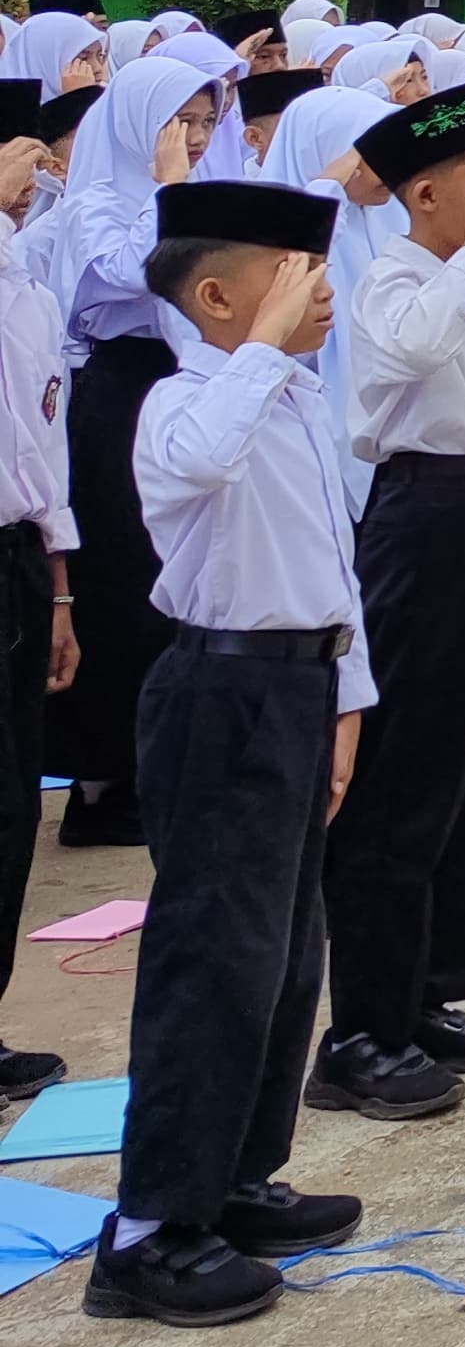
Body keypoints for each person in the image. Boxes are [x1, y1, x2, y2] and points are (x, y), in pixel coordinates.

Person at [84, 178, 369, 1328]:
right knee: (212, 958)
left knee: (285, 954)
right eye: (295, 276)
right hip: (220, 691)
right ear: (215, 299)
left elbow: (329, 558)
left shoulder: (288, 396)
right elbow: (197, 465)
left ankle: (235, 1181)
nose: (321, 294)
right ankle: (150, 1229)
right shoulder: (184, 400)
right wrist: (258, 349)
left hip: (298, 683)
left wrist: (347, 700)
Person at [310, 79, 465, 1125]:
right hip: (426, 519)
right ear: (429, 192)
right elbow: (410, 350)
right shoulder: (393, 278)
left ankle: (431, 993)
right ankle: (361, 1030)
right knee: (404, 777)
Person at [40, 54, 228, 847]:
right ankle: (102, 781)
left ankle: (163, 765)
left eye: (205, 121)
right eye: (179, 122)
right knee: (121, 581)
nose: (194, 137)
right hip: (117, 391)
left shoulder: (193, 191)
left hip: (177, 381)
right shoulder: (95, 203)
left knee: (172, 575)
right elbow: (130, 273)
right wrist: (167, 188)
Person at [0, 107, 81, 1103]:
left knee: (13, 803)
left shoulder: (27, 282)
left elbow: (40, 443)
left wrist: (59, 587)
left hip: (19, 554)